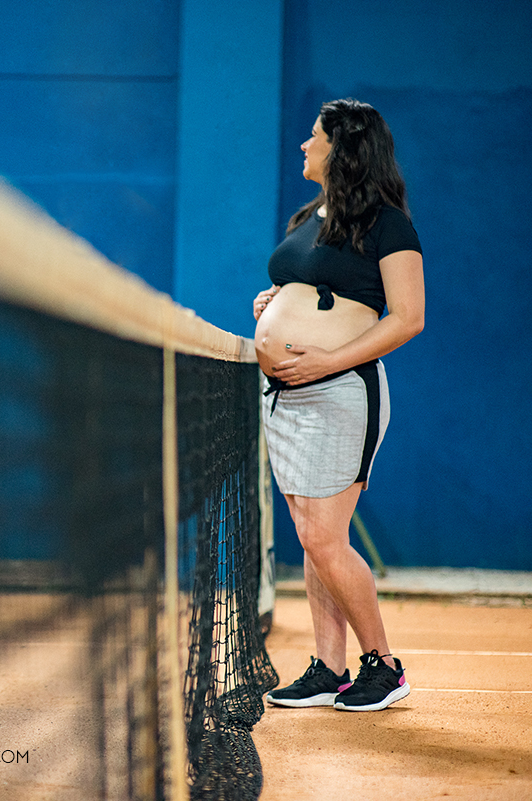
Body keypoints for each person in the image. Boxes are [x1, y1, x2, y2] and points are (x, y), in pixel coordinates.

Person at [253, 99, 424, 712]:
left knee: (324, 537)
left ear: (342, 149)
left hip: (340, 391)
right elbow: (312, 287)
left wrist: (327, 359)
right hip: (287, 396)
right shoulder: (310, 216)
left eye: (314, 136)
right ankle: (329, 667)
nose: (304, 145)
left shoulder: (388, 225)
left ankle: (384, 665)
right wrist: (273, 303)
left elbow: (408, 317)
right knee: (313, 537)